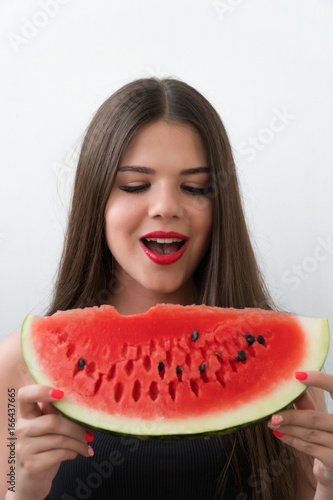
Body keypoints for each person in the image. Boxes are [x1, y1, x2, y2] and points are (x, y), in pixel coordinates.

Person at [0, 77, 332, 500]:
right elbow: (10, 483)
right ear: (95, 200)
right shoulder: (17, 369)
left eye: (195, 188)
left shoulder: (290, 375)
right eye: (135, 185)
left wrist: (329, 485)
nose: (166, 207)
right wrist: (20, 489)